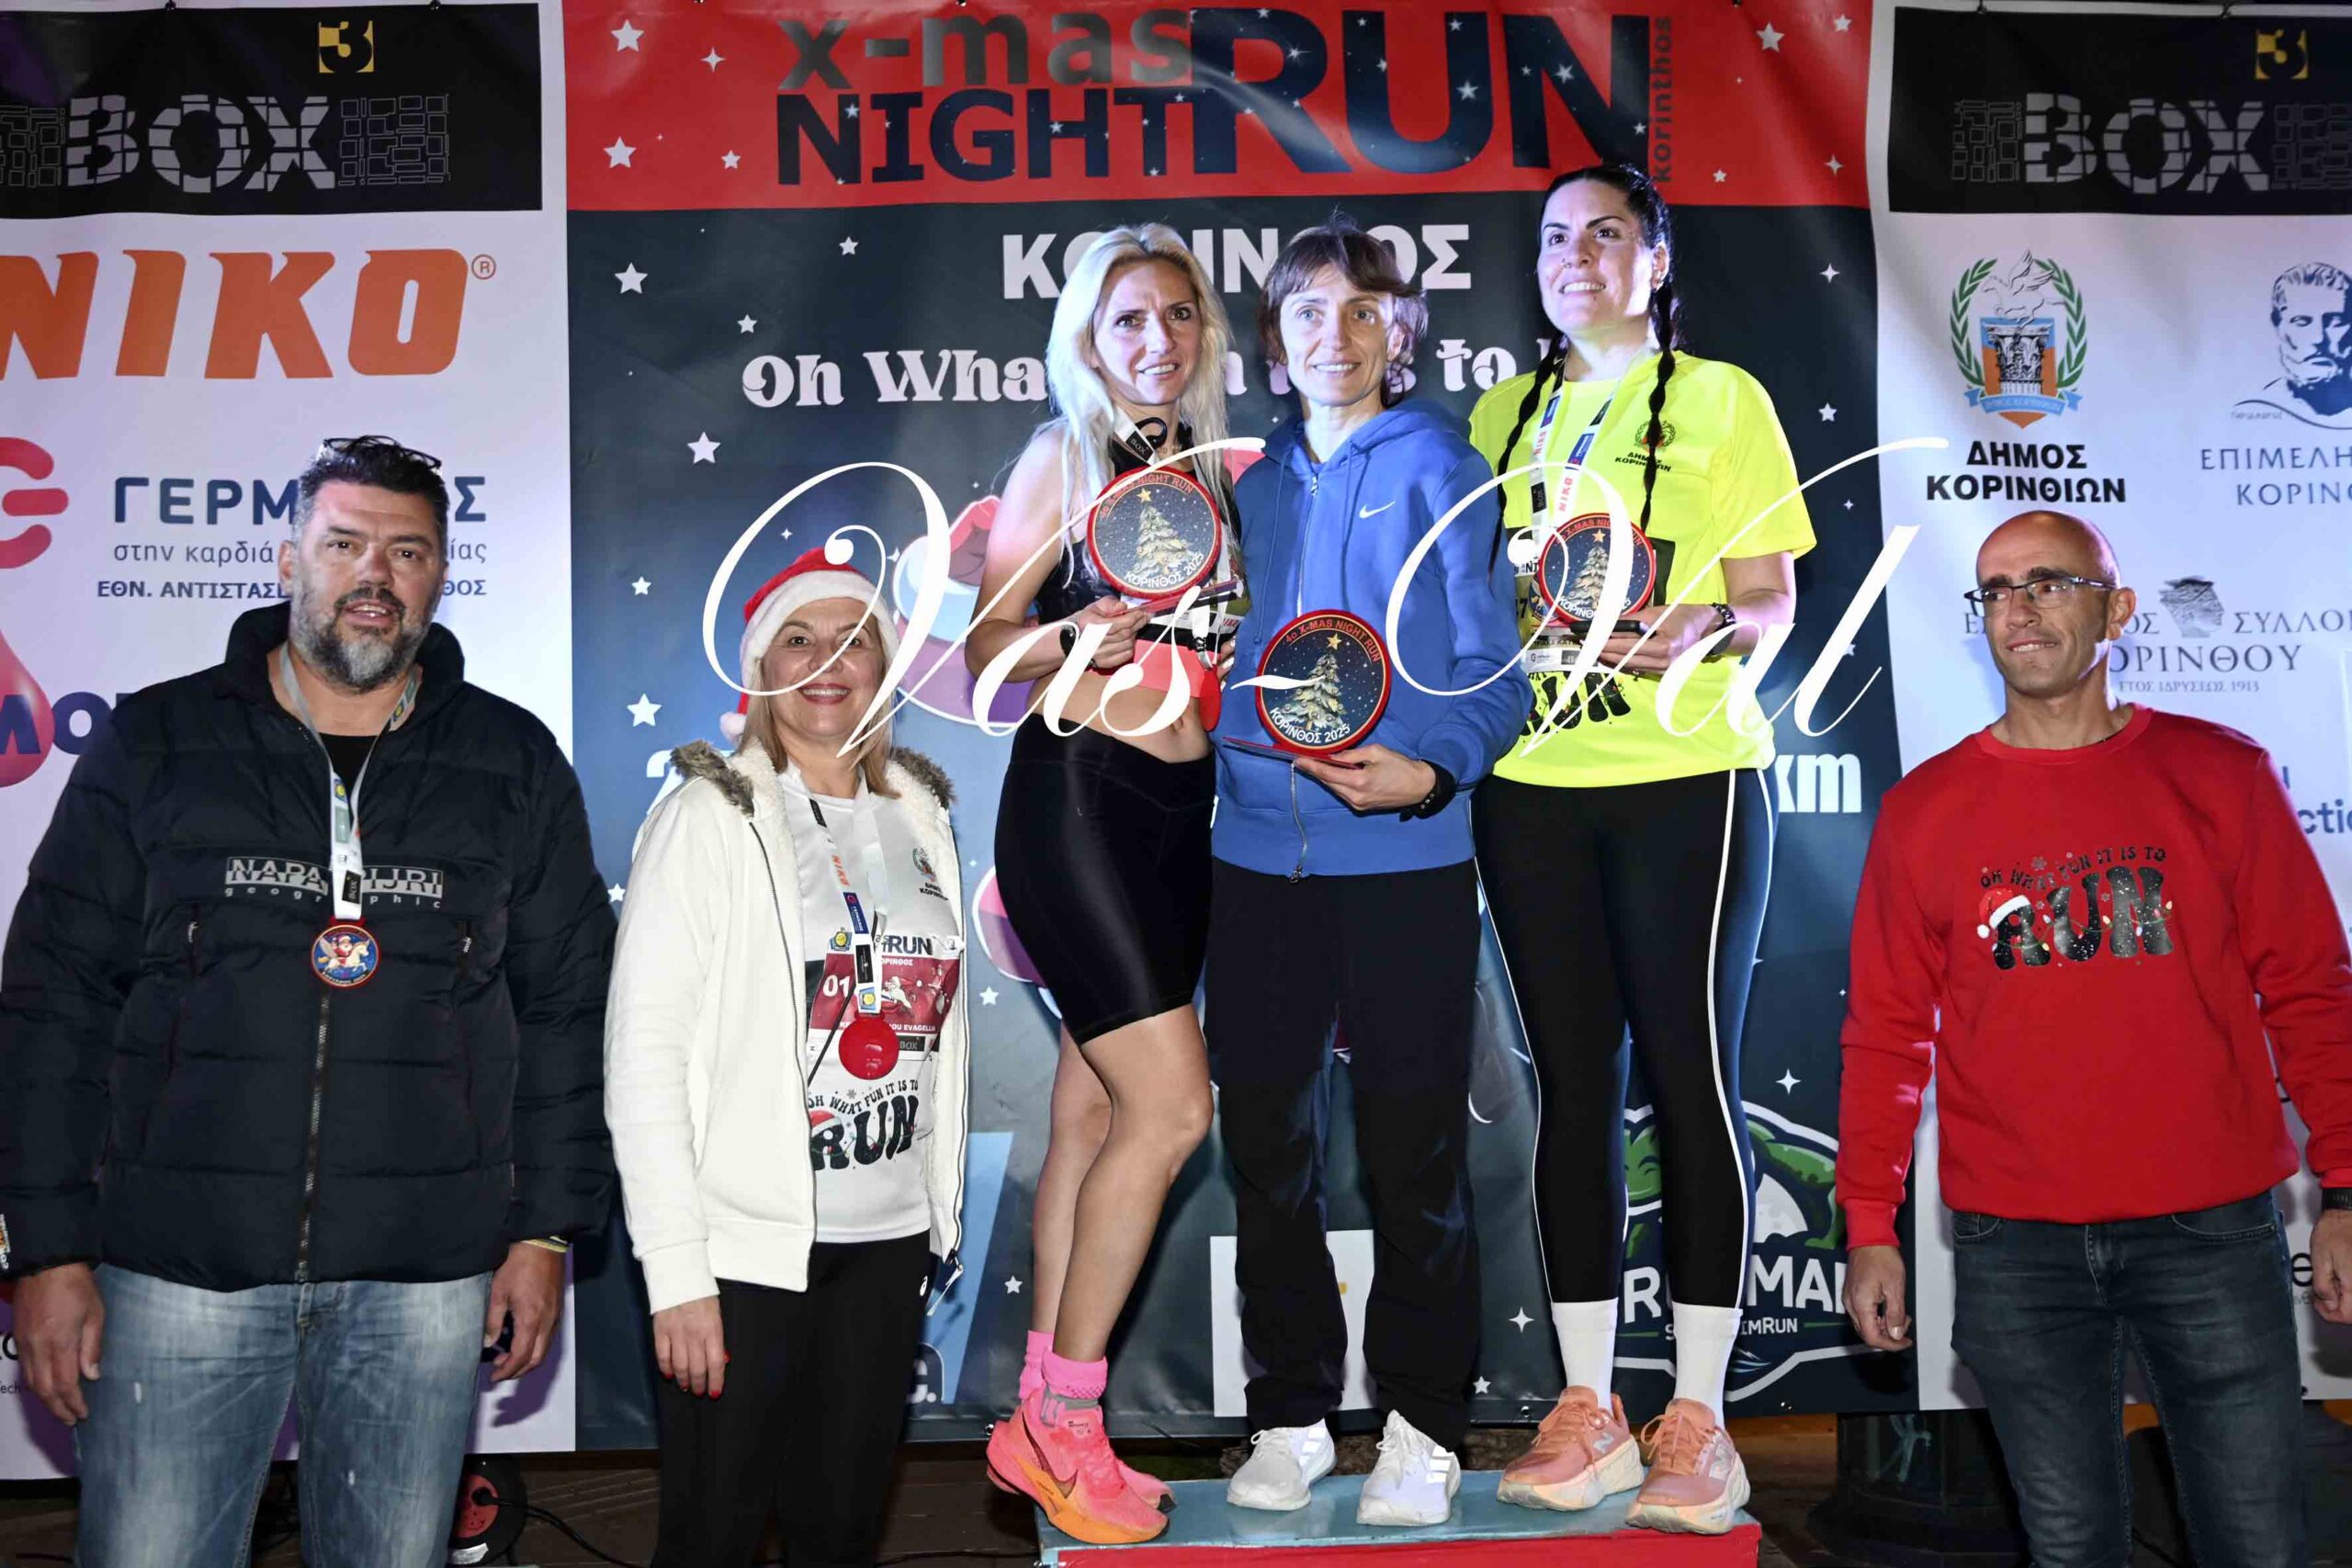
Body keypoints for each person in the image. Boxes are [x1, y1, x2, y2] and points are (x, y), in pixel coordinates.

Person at [0, 434, 613, 1568]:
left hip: (425, 1277)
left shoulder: (512, 760)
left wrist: (542, 1230)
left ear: (440, 575)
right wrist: (42, 1252)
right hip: (177, 1270)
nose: (375, 574)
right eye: (344, 544)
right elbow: (53, 1002)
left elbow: (567, 1014)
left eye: (408, 551)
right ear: (289, 559)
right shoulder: (159, 741)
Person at [1838, 509, 2352, 1568]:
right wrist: (1868, 1223)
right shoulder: (1924, 810)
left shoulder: (2220, 774)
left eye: (2047, 582)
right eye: (1994, 591)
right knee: (2070, 1548)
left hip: (2209, 1230)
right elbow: (1885, 1036)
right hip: (2013, 1243)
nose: (2017, 609)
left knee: (2257, 1543)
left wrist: (2345, 1191)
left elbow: (2310, 992)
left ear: (2116, 611)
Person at [1466, 163, 1813, 1534]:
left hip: (1685, 775)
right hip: (1530, 783)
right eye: (1556, 237)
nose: (1578, 256)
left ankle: (1703, 1418)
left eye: (1607, 233)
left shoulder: (1725, 399)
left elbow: (1772, 599)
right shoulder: (1501, 416)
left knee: (1688, 1076)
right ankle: (1590, 1405)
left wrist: (1711, 629)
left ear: (1654, 259)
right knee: (1571, 1088)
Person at [1207, 216, 1523, 1528]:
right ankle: (1290, 1415)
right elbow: (1211, 658)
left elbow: (1497, 672)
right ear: (1273, 345)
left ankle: (1423, 1423)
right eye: (1305, 312)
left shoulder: (1445, 464)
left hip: (1404, 854)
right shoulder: (1247, 488)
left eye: (1359, 310)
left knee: (1413, 1151)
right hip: (1252, 856)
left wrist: (1433, 770)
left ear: (1400, 333)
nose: (1332, 334)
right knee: (1267, 1150)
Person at [607, 545, 972, 1568]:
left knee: (841, 1537)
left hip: (886, 1242)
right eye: (798, 640)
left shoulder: (921, 812)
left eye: (854, 641)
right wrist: (677, 1271)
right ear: (762, 667)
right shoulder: (707, 813)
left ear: (884, 667)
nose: (827, 663)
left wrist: (933, 1213)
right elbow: (643, 1054)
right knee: (711, 1540)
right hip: (741, 1255)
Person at [967, 226, 1239, 1545]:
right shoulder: (1062, 455)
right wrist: (1073, 630)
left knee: (1089, 1111)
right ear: (1088, 336)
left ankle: (1041, 1406)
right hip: (1079, 795)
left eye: (1178, 316)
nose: (1157, 340)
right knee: (1173, 1108)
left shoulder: (1210, 473)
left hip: (1181, 818)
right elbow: (986, 645)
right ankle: (1066, 1425)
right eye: (1129, 318)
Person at [2238, 260, 2352, 425]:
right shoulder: (2254, 407)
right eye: (2301, 322)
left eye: (2336, 322)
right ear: (2278, 325)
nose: (2318, 338)